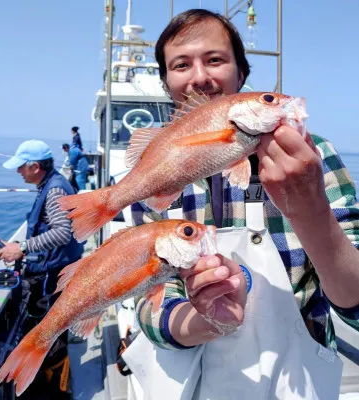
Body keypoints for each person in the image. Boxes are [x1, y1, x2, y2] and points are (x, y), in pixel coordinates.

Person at [127, 9, 359, 399]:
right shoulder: (152, 175)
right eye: (181, 65)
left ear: (241, 73)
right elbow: (148, 302)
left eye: (215, 59)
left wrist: (310, 209)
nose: (200, 76)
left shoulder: (312, 155)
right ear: (167, 83)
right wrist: (203, 321)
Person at [0, 139, 84, 399]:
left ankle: (53, 390)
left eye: (21, 167)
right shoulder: (53, 183)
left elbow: (62, 232)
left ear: (34, 167)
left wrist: (22, 248)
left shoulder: (53, 191)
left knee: (50, 336)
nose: (19, 172)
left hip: (53, 276)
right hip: (55, 271)